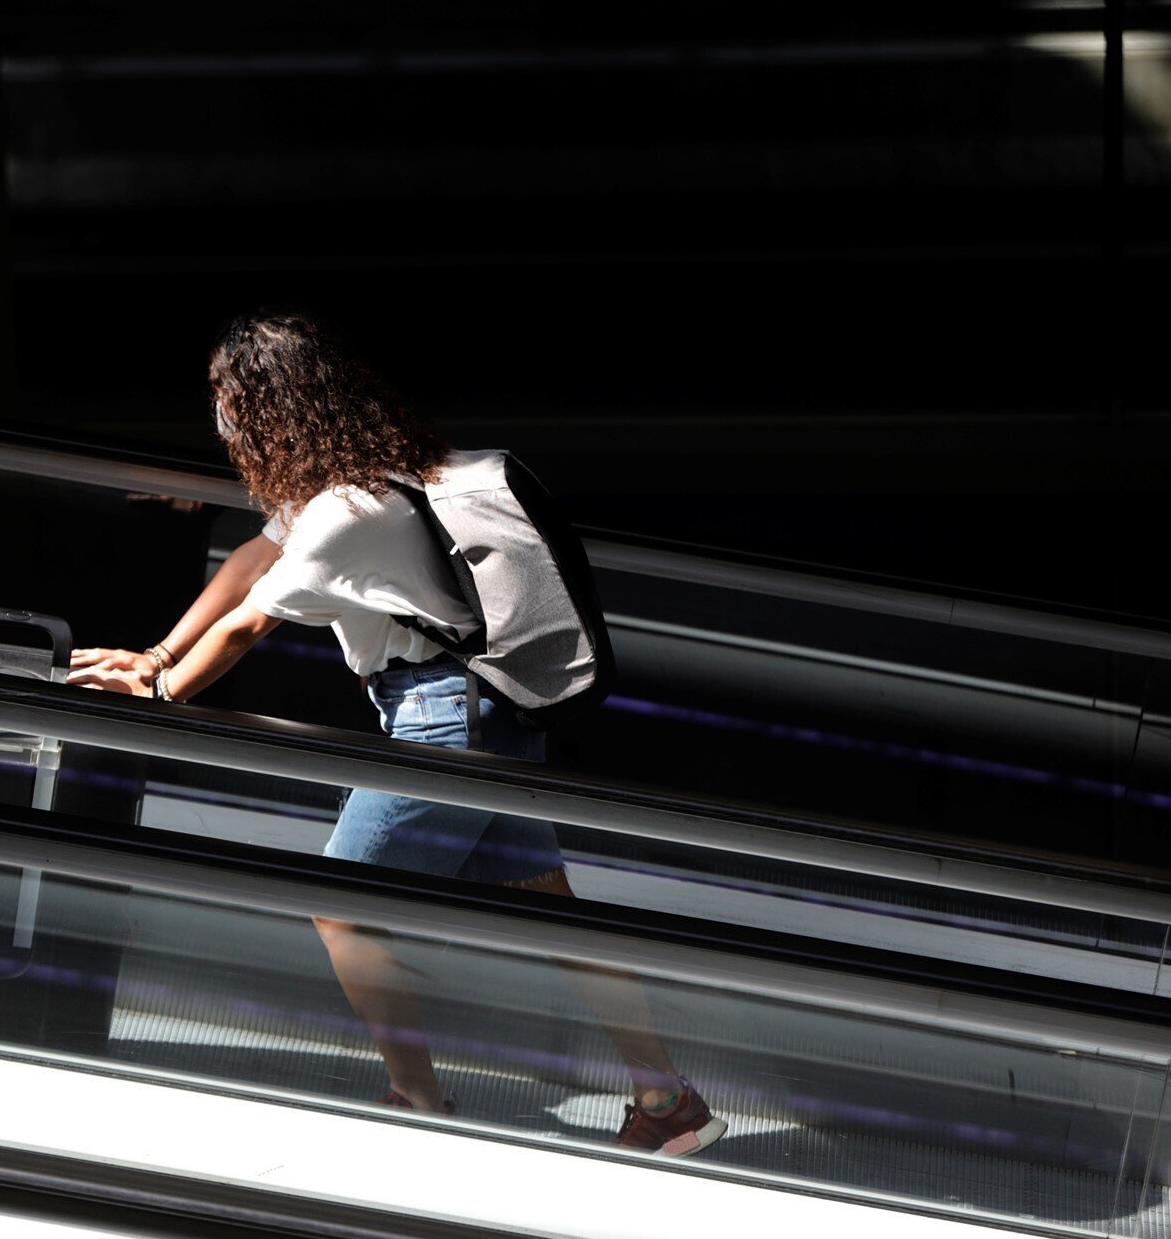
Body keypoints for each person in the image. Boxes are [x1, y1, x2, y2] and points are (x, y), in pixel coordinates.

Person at [68, 311, 725, 1157]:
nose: (221, 419)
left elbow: (247, 626)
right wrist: (157, 653)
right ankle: (669, 1102)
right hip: (483, 715)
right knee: (555, 919)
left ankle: (417, 1100)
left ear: (268, 407)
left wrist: (158, 692)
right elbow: (251, 563)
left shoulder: (343, 513)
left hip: (444, 723)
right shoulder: (362, 478)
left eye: (227, 400)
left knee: (341, 906)